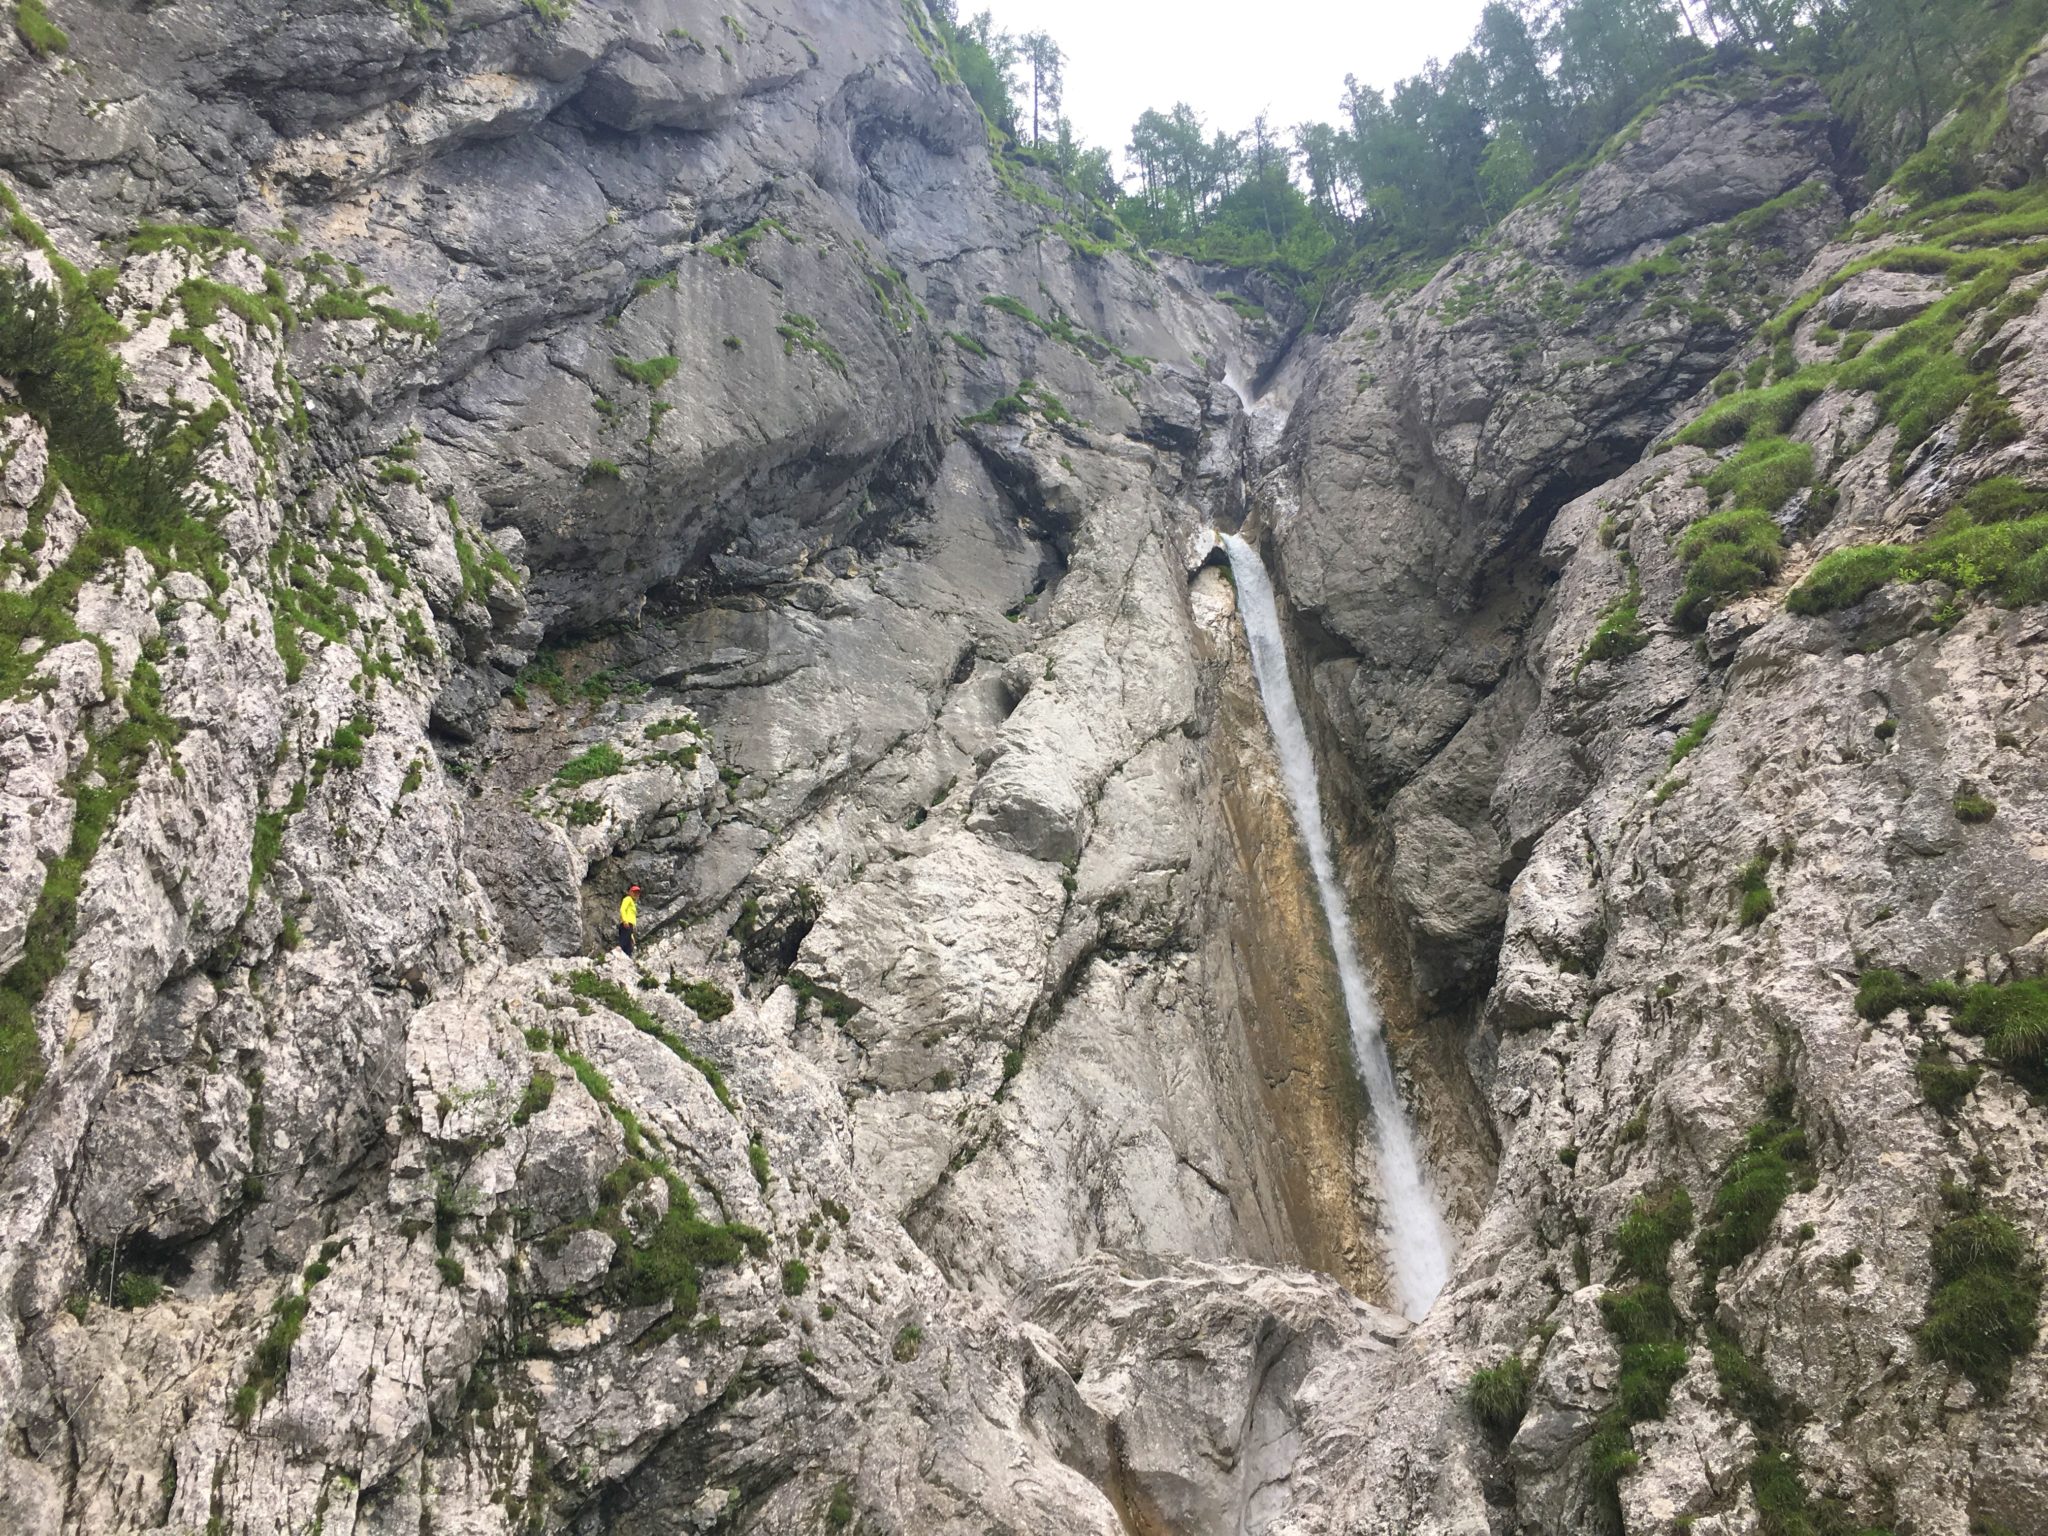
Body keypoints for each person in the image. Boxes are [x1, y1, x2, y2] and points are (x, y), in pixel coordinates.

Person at [618, 885, 640, 957]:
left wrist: (632, 936)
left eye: (637, 893)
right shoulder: (628, 899)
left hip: (630, 926)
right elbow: (622, 909)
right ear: (630, 892)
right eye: (634, 892)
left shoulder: (633, 903)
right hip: (627, 924)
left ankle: (625, 960)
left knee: (628, 947)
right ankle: (618, 954)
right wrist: (625, 921)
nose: (636, 894)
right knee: (623, 942)